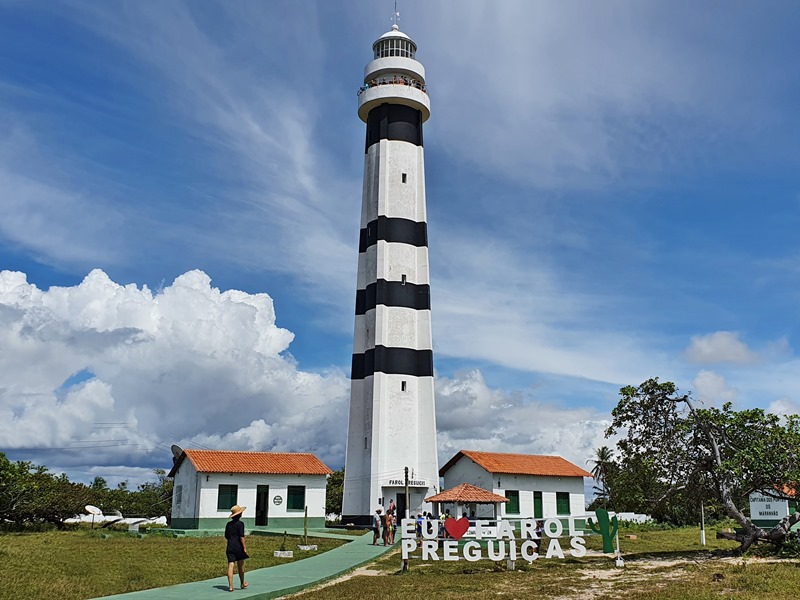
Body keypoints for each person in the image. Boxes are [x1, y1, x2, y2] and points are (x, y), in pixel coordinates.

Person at [225, 505, 249, 592]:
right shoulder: (241, 524)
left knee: (230, 565)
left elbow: (226, 536)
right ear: (240, 514)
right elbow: (241, 537)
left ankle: (231, 587)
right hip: (238, 547)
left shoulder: (228, 524)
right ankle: (242, 583)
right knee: (241, 566)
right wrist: (244, 547)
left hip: (230, 546)